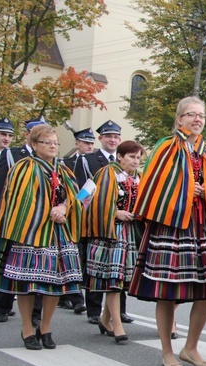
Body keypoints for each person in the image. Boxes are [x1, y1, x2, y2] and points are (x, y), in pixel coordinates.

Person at [129, 96, 206, 366]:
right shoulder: (166, 147)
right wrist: (188, 191)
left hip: (203, 226)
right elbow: (154, 186)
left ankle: (191, 347)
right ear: (179, 119)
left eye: (201, 115)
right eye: (191, 114)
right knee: (167, 291)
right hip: (173, 226)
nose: (197, 119)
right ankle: (166, 350)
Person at [0, 124, 82, 349]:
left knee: (56, 283)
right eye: (47, 142)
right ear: (34, 144)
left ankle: (45, 326)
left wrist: (64, 209)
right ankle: (26, 328)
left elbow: (74, 197)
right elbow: (21, 202)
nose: (53, 146)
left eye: (55, 142)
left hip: (59, 233)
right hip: (32, 234)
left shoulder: (63, 170)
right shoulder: (24, 167)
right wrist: (49, 212)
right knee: (28, 283)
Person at [83, 140, 145, 344]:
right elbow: (93, 201)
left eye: (138, 157)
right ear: (120, 156)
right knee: (114, 280)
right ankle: (117, 326)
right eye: (131, 157)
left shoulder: (139, 177)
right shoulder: (107, 173)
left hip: (130, 234)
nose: (135, 161)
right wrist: (115, 213)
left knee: (121, 279)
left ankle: (105, 319)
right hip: (111, 233)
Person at [75, 120, 133, 325]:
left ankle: (120, 311)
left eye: (116, 137)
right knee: (97, 266)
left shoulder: (127, 164)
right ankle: (93, 309)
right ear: (101, 139)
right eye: (109, 136)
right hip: (97, 220)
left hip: (122, 226)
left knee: (119, 268)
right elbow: (83, 192)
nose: (112, 140)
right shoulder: (87, 160)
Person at [0, 116, 47, 325]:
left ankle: (35, 313)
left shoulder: (51, 161)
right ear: (29, 136)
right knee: (10, 264)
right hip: (16, 219)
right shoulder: (11, 155)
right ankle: (2, 306)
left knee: (39, 267)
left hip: (40, 222)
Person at [59, 127, 97, 315]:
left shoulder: (95, 162)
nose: (89, 146)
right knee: (72, 254)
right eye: (86, 143)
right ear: (77, 144)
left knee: (84, 256)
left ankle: (76, 295)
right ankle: (71, 296)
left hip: (89, 216)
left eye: (91, 143)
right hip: (71, 213)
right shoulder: (66, 163)